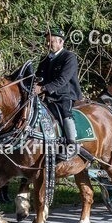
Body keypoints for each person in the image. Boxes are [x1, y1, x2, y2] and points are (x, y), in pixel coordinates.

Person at [35, 26, 82, 154]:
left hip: (65, 95)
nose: (48, 44)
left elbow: (63, 80)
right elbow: (38, 77)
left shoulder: (69, 57)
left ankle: (72, 144)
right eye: (47, 41)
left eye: (51, 41)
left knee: (65, 113)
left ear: (61, 42)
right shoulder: (45, 59)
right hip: (46, 96)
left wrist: (43, 88)